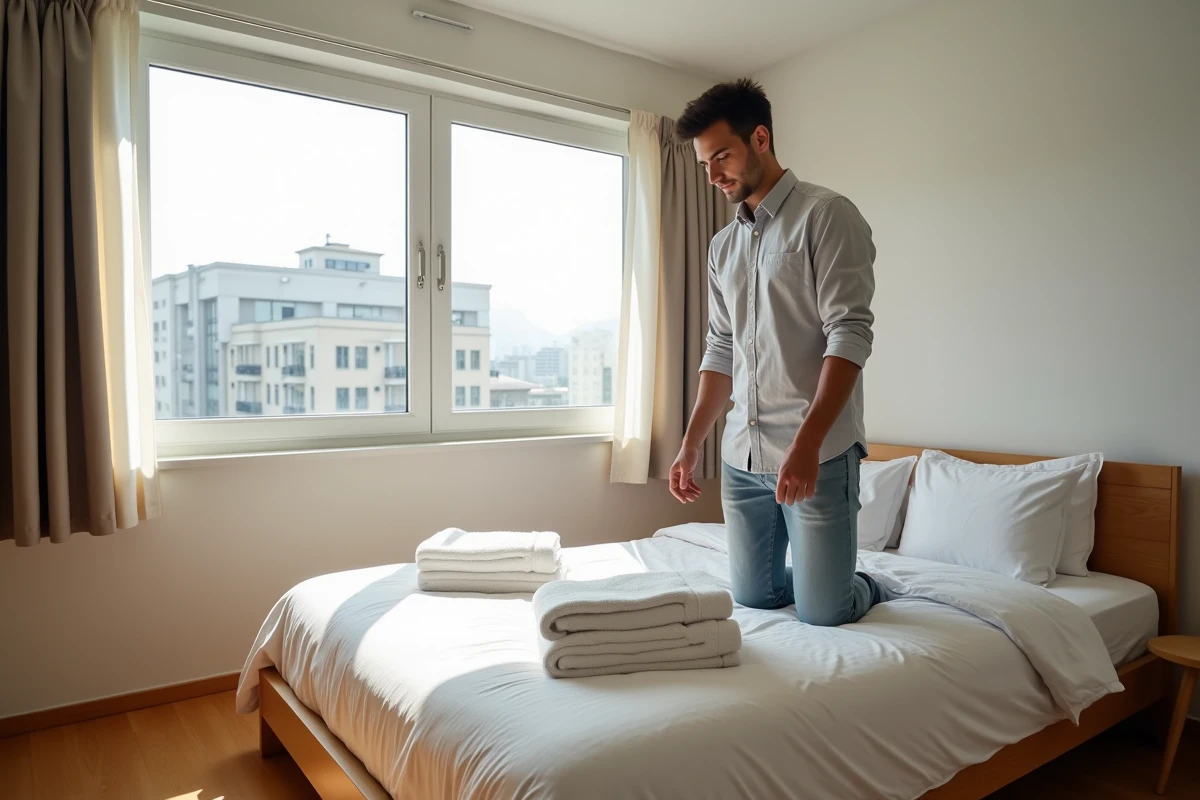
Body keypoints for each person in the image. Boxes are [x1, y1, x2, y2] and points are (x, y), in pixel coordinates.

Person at [669, 79, 887, 627]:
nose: (714, 175)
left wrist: (808, 444)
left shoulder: (827, 215)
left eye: (722, 156)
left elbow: (850, 334)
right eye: (704, 164)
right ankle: (822, 576)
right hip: (742, 455)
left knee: (825, 612)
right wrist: (692, 444)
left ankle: (860, 582)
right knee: (755, 597)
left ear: (760, 138)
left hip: (817, 454)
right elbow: (721, 348)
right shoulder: (724, 246)